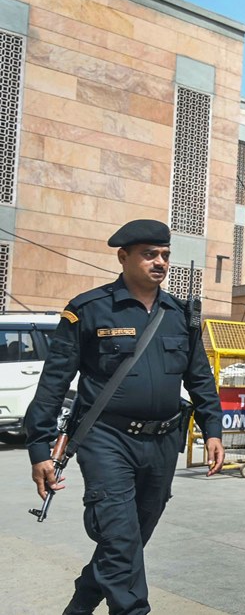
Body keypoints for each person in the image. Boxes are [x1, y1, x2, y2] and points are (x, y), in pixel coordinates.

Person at [24, 219, 226, 615]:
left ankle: (80, 606)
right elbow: (53, 383)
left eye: (165, 255)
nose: (160, 262)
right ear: (124, 257)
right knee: (119, 538)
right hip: (106, 440)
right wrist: (38, 448)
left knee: (128, 541)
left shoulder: (180, 315)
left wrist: (213, 428)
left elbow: (200, 377)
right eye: (149, 254)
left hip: (164, 441)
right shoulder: (88, 310)